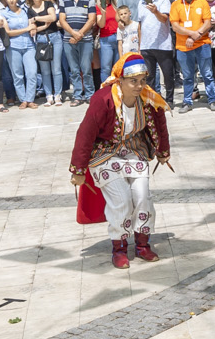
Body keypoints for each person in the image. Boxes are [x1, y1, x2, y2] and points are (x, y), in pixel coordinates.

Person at [70, 51, 172, 269]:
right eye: (133, 81)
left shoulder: (148, 98)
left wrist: (163, 151)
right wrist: (78, 169)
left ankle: (143, 244)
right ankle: (119, 247)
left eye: (142, 81)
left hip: (135, 151)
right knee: (122, 200)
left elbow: (160, 123)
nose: (138, 86)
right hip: (104, 154)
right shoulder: (103, 100)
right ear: (120, 80)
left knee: (143, 197)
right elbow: (85, 133)